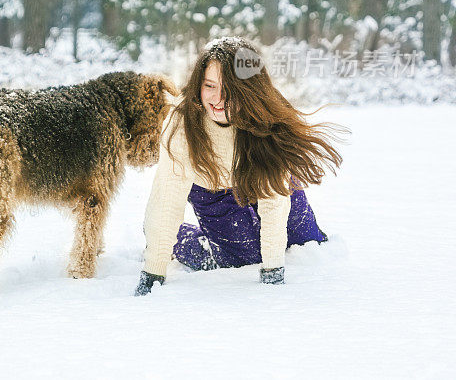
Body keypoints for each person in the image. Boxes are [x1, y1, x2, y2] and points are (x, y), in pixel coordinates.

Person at [134, 36, 345, 295]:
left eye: (229, 88)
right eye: (209, 85)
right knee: (242, 258)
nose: (218, 98)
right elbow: (166, 198)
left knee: (307, 241)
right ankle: (179, 238)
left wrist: (273, 270)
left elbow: (275, 202)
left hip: (260, 177)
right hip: (212, 188)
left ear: (248, 89)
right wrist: (154, 269)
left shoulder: (266, 118)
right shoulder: (181, 125)